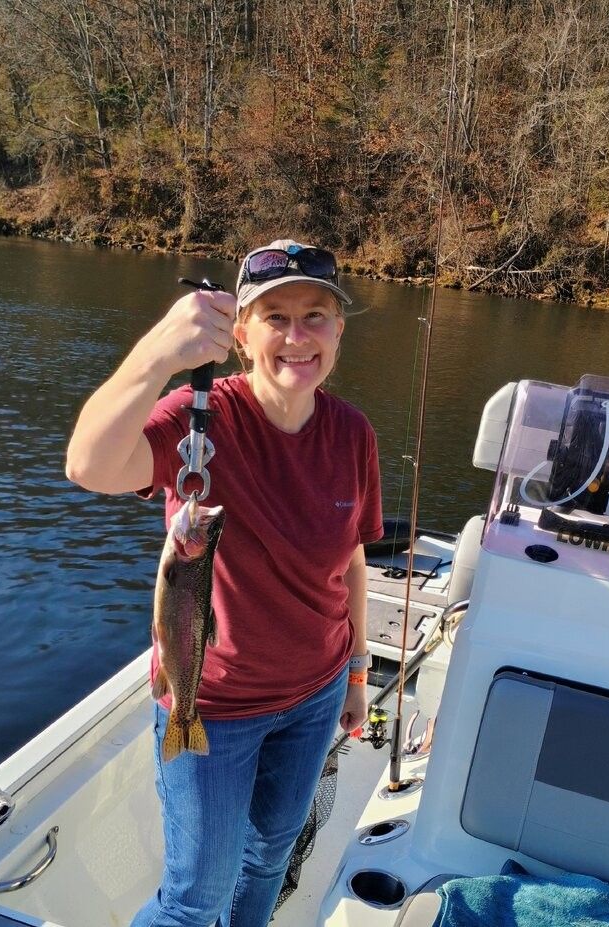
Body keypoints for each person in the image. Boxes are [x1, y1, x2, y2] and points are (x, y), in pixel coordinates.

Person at [65, 239, 384, 927]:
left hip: (315, 696)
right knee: (193, 900)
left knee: (269, 856)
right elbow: (88, 465)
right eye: (275, 317)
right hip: (211, 702)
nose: (297, 336)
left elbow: (352, 562)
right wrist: (158, 353)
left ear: (338, 331)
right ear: (240, 333)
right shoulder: (198, 418)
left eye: (315, 316)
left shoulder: (353, 434)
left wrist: (357, 676)